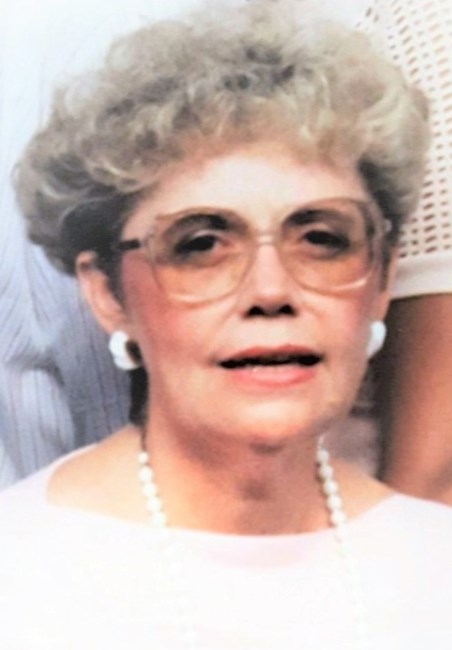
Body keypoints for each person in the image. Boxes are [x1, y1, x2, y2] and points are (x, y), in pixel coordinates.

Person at [0, 2, 450, 647]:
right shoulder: (18, 574)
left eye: (321, 238)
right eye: (202, 244)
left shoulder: (435, 563)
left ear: (382, 279)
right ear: (107, 292)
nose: (271, 291)